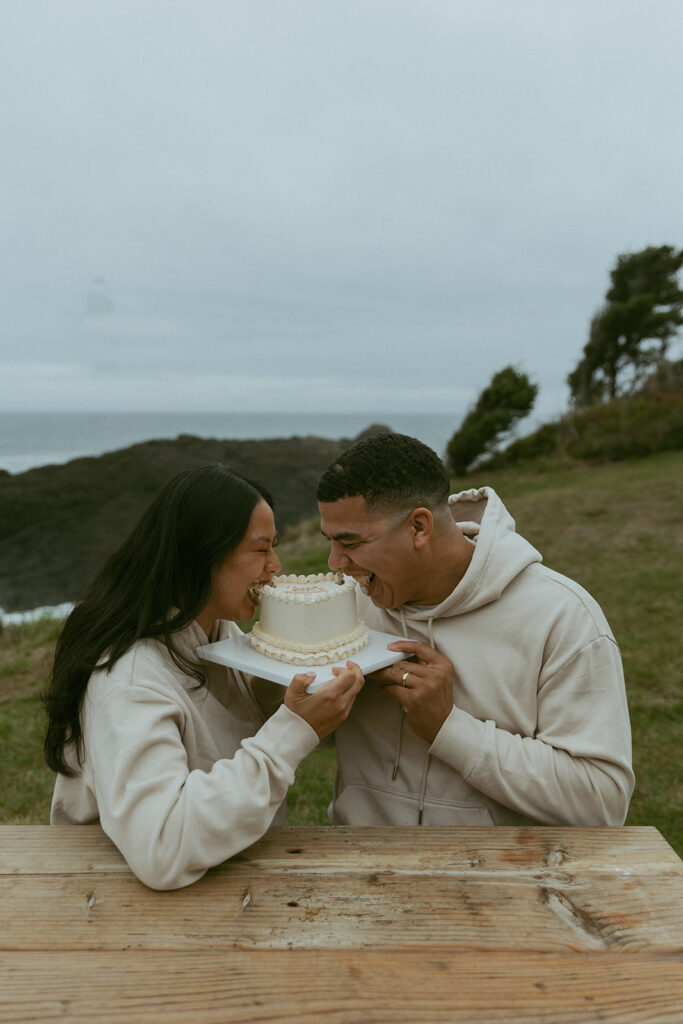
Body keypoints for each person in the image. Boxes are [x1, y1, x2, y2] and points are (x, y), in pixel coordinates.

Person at [43, 463, 363, 889]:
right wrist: (293, 731)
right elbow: (162, 847)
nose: (276, 565)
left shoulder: (216, 631)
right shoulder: (128, 679)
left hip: (225, 881)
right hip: (112, 907)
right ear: (202, 554)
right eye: (260, 549)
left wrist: (291, 697)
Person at [316, 432, 634, 827]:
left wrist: (449, 728)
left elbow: (602, 803)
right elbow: (313, 731)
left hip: (503, 875)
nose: (335, 563)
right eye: (330, 541)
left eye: (350, 542)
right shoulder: (345, 607)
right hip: (358, 868)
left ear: (419, 527)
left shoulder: (562, 616)